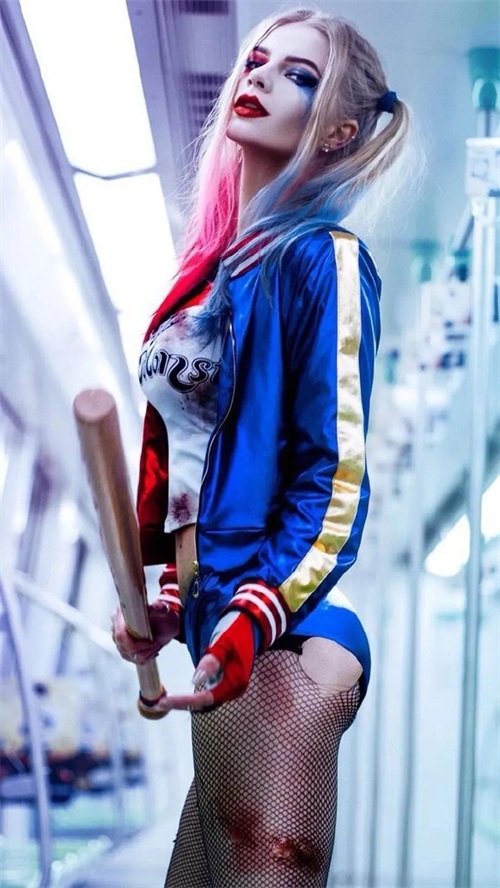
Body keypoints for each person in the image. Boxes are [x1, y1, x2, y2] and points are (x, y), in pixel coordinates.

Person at [111, 7, 411, 886]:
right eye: (260, 60)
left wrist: (249, 612)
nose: (261, 76)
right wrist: (177, 597)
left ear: (340, 130)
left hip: (284, 643)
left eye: (300, 76)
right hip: (227, 634)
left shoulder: (325, 260)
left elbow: (334, 477)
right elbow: (199, 467)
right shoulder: (211, 276)